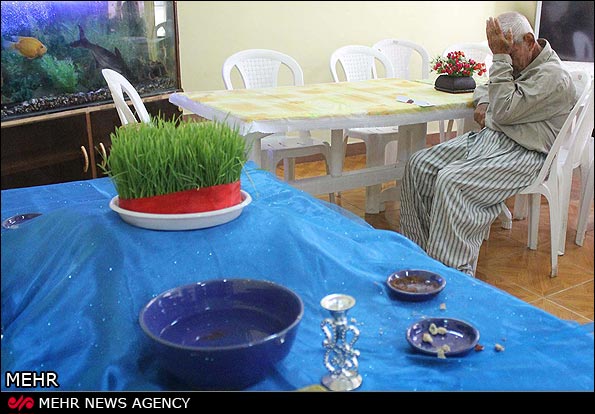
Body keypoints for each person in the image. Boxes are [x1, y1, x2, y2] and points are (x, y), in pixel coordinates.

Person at [399, 11, 577, 275]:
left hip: (526, 154)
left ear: (529, 41)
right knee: (418, 165)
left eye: (508, 54)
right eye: (500, 55)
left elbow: (503, 110)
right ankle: (421, 259)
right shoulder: (521, 61)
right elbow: (488, 86)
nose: (506, 62)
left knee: (452, 182)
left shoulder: (554, 77)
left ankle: (454, 276)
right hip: (493, 139)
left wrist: (501, 63)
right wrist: (484, 101)